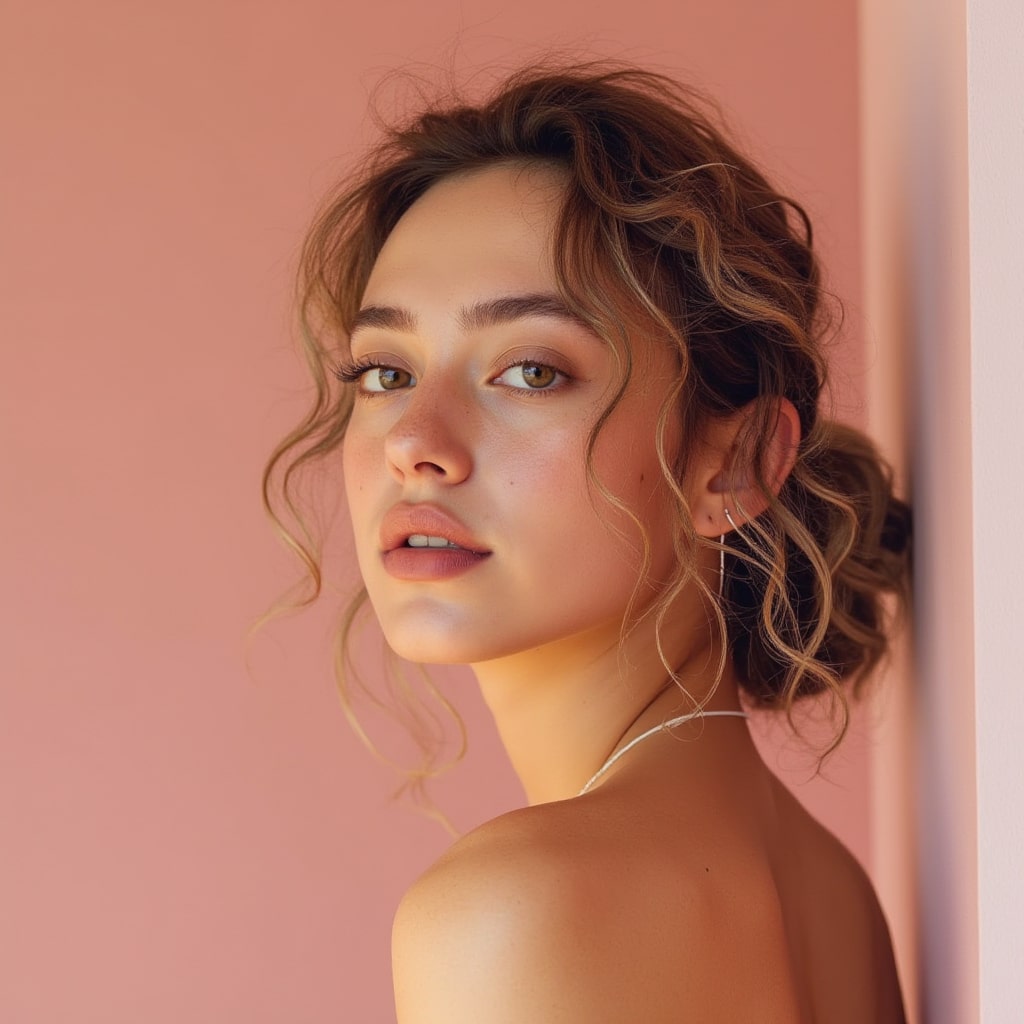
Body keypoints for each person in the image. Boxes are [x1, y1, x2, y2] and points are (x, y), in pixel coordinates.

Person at [265, 63, 911, 1022]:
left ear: (733, 464)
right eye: (385, 372)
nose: (414, 443)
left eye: (530, 371)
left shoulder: (519, 907)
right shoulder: (834, 895)